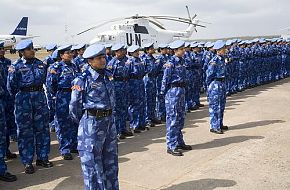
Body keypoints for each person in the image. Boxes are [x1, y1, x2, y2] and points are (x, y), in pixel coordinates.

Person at [70, 44, 119, 190]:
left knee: (111, 164)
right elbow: (74, 106)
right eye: (99, 58)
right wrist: (85, 123)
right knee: (92, 167)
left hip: (109, 123)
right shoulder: (82, 79)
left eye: (104, 57)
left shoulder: (108, 76)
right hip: (92, 124)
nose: (103, 60)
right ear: (90, 61)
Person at [7, 39, 53, 174]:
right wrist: (22, 97)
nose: (32, 51)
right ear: (22, 52)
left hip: (39, 98)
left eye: (32, 48)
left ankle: (42, 158)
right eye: (28, 49)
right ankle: (27, 161)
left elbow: (45, 80)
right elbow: (11, 87)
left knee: (43, 129)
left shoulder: (40, 65)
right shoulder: (15, 66)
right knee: (25, 132)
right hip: (23, 100)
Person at [161, 40, 192, 157]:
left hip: (181, 91)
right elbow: (165, 79)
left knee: (180, 117)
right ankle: (171, 145)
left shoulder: (183, 61)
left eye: (183, 49)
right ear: (175, 50)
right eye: (181, 49)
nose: (183, 51)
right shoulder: (171, 63)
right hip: (173, 92)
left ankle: (179, 142)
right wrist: (163, 94)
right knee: (173, 119)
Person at [107, 44, 133, 140]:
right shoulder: (112, 63)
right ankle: (117, 131)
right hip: (117, 87)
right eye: (120, 51)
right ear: (116, 52)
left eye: (123, 50)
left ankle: (123, 129)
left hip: (125, 86)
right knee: (117, 110)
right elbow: (109, 77)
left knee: (125, 108)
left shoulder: (126, 60)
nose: (123, 52)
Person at [0, 42, 17, 182]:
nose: (2, 51)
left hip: (7, 98)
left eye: (2, 49)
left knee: (5, 127)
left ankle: (6, 150)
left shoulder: (7, 62)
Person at [206, 40, 229, 134]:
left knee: (221, 105)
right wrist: (209, 87)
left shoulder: (222, 59)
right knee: (215, 106)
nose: (225, 50)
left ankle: (219, 124)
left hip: (222, 83)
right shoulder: (214, 61)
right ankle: (214, 126)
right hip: (215, 84)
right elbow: (209, 75)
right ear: (218, 50)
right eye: (224, 49)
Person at [126, 45, 146, 133]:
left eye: (138, 51)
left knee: (141, 103)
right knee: (134, 105)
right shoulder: (129, 62)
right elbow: (126, 74)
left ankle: (141, 123)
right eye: (135, 51)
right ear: (131, 53)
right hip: (133, 83)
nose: (137, 52)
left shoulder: (140, 60)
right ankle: (134, 125)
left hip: (140, 82)